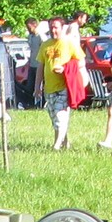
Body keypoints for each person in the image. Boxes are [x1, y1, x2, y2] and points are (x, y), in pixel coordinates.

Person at [38, 15, 83, 149]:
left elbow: (81, 62)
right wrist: (37, 87)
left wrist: (65, 69)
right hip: (49, 88)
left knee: (60, 115)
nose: (53, 30)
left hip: (64, 86)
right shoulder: (45, 45)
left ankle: (56, 145)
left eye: (56, 27)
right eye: (51, 28)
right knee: (54, 118)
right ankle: (65, 142)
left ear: (62, 28)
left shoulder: (69, 43)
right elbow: (40, 66)